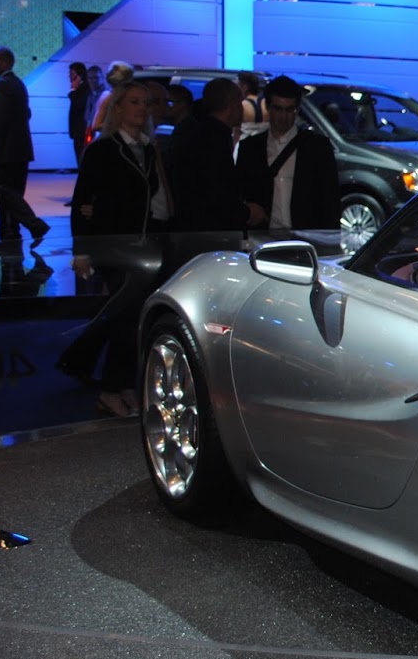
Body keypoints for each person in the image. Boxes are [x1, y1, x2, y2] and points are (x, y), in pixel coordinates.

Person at [59, 81, 168, 417]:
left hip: (141, 248)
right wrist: (81, 250)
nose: (141, 108)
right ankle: (110, 387)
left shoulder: (148, 149)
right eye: (134, 102)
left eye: (145, 103)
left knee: (129, 318)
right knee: (125, 318)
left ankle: (118, 383)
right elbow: (83, 200)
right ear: (118, 107)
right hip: (113, 247)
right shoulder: (103, 150)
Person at [165, 77, 265, 243]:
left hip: (191, 231)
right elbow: (218, 195)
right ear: (233, 105)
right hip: (211, 236)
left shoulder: (197, 134)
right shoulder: (215, 141)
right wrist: (248, 212)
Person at [235, 75, 340, 231]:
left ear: (297, 110)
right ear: (268, 107)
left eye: (290, 109)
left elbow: (330, 199)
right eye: (278, 109)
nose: (284, 117)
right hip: (263, 236)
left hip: (305, 237)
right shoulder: (250, 148)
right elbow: (241, 194)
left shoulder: (317, 147)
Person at [0, 46, 49, 247]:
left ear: (4, 62)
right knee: (13, 191)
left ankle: (33, 224)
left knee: (2, 187)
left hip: (7, 150)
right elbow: (26, 114)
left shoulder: (3, 85)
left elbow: (1, 120)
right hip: (21, 149)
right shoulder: (18, 84)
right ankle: (11, 233)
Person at [67, 61, 90, 166]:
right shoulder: (80, 88)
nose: (70, 77)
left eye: (72, 74)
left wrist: (73, 91)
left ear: (80, 75)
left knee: (81, 158)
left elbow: (79, 105)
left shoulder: (85, 88)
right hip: (78, 131)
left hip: (81, 130)